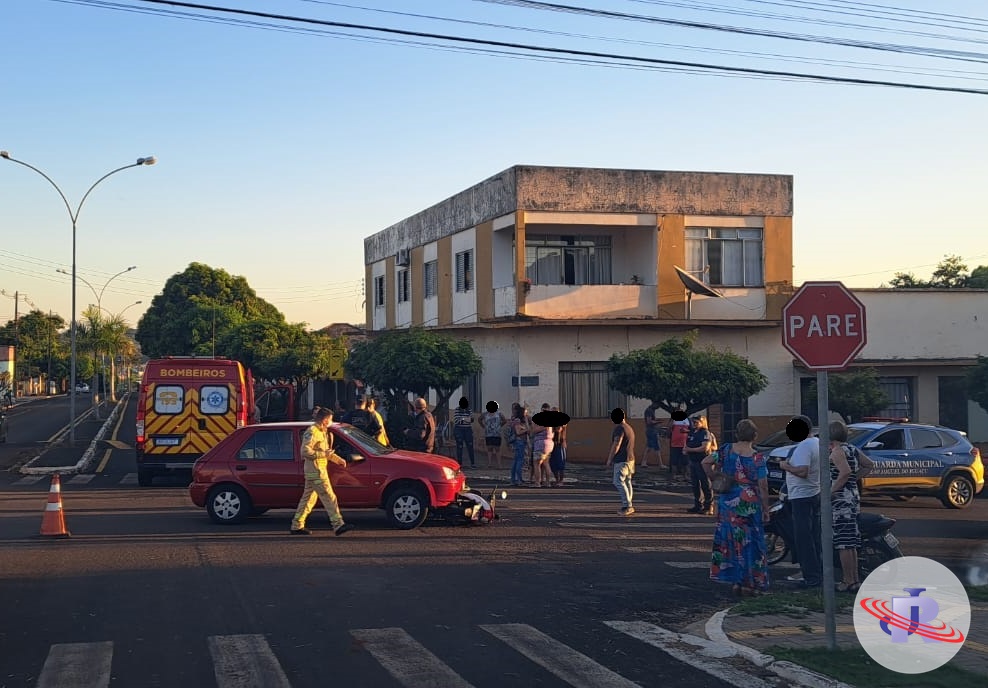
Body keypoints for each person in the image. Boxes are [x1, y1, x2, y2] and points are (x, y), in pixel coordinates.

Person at [703, 418, 770, 596]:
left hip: (728, 502)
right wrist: (766, 509)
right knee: (751, 543)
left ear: (736, 434)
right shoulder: (757, 458)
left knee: (731, 541)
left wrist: (715, 478)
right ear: (754, 436)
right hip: (749, 503)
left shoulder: (726, 451)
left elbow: (705, 462)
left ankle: (736, 581)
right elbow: (763, 486)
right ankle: (750, 582)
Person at [290, 407, 353, 536]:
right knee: (329, 497)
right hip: (316, 471)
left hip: (316, 471)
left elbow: (326, 452)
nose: (331, 422)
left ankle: (297, 525)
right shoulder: (312, 432)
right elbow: (304, 451)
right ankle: (338, 525)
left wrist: (338, 459)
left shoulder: (322, 431)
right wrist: (323, 454)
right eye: (330, 419)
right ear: (324, 419)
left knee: (308, 500)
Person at [829, 419, 875, 593]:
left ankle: (847, 580)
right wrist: (854, 479)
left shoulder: (837, 452)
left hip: (842, 501)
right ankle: (854, 579)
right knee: (852, 542)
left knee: (843, 543)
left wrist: (832, 491)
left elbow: (845, 471)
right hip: (853, 497)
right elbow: (869, 465)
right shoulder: (852, 449)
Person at [778, 414, 823, 588]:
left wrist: (785, 466)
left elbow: (803, 471)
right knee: (813, 537)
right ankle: (815, 573)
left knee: (804, 539)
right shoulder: (817, 443)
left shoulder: (805, 445)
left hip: (802, 496)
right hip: (812, 493)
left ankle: (811, 577)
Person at [605, 407, 636, 516]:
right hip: (630, 459)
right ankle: (629, 503)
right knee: (627, 482)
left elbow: (616, 444)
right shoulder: (629, 428)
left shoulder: (620, 429)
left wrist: (610, 459)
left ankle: (627, 505)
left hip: (622, 460)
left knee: (618, 482)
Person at [684, 415, 714, 514]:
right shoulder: (692, 433)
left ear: (702, 423)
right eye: (693, 422)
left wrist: (690, 450)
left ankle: (708, 506)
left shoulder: (705, 433)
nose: (694, 424)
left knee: (705, 483)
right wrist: (686, 450)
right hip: (693, 461)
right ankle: (698, 505)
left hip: (702, 461)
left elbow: (705, 447)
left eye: (696, 422)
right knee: (695, 484)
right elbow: (687, 444)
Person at [479, 401, 507, 469]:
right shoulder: (485, 414)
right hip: (488, 434)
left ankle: (499, 464)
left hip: (497, 434)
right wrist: (483, 426)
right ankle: (490, 463)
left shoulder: (499, 413)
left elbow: (504, 420)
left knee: (497, 449)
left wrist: (500, 426)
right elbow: (479, 419)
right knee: (489, 448)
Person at [531, 411, 555, 488]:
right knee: (546, 463)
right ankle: (548, 482)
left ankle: (537, 482)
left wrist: (533, 424)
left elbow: (534, 431)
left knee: (537, 464)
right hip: (549, 445)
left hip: (541, 444)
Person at [508, 404, 530, 486]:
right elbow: (518, 432)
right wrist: (526, 430)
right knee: (519, 461)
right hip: (519, 442)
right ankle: (518, 479)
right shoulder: (517, 421)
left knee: (516, 461)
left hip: (520, 442)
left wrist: (526, 420)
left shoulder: (521, 420)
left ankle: (514, 479)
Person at [452, 396, 476, 468]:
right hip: (459, 429)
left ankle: (473, 463)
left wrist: (462, 419)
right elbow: (456, 421)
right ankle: (460, 463)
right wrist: (465, 419)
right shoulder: (457, 410)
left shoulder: (469, 410)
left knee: (470, 446)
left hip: (468, 429)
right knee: (459, 446)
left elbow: (471, 420)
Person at [669, 409, 690, 482]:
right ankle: (673, 476)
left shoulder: (687, 420)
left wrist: (686, 431)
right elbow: (669, 428)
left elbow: (691, 430)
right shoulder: (673, 420)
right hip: (674, 444)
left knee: (685, 461)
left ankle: (686, 475)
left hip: (684, 444)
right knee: (674, 461)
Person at [549, 406, 568, 487]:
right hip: (552, 443)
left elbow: (559, 429)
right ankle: (557, 479)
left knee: (561, 463)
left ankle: (561, 480)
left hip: (560, 443)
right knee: (552, 463)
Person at [642, 401, 664, 469]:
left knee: (649, 446)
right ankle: (660, 464)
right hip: (652, 431)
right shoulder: (649, 411)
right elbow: (649, 421)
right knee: (657, 447)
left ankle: (644, 462)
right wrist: (658, 422)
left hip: (650, 430)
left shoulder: (651, 410)